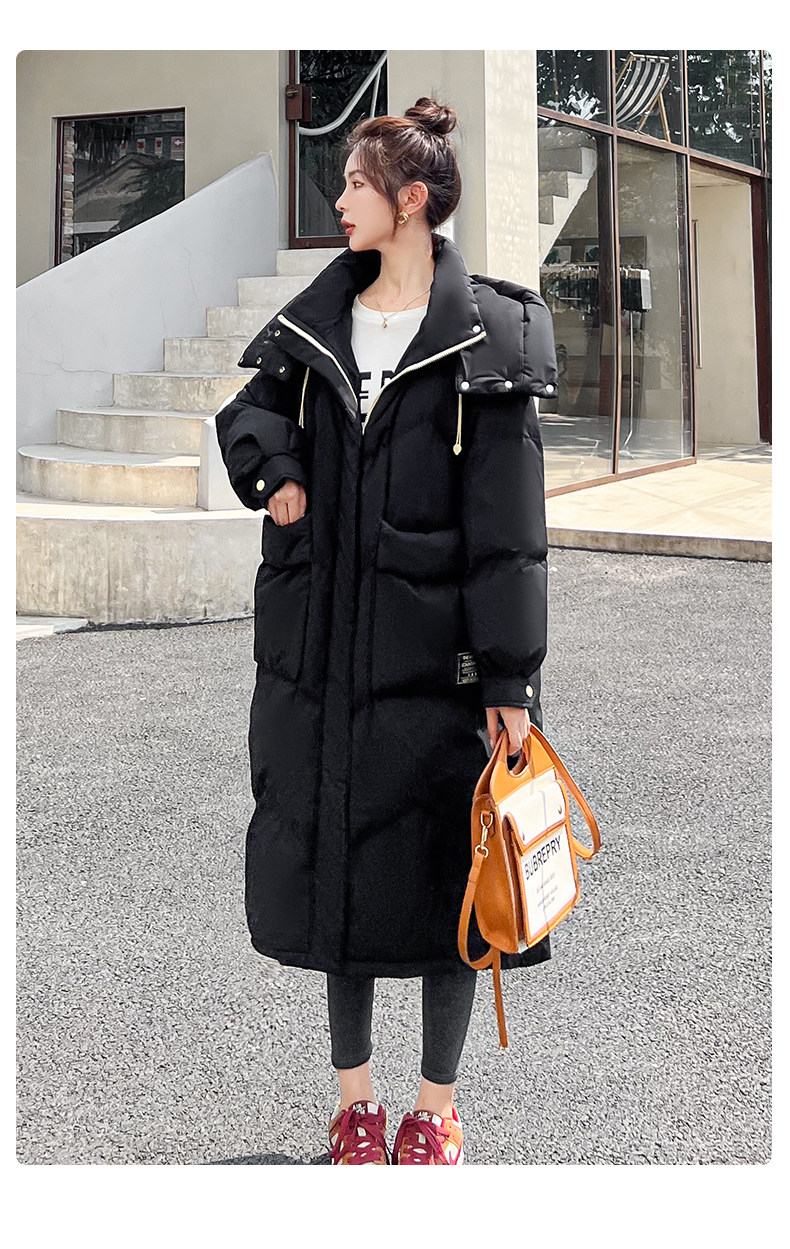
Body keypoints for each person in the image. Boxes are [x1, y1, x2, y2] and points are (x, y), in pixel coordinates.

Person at [215, 96, 557, 1165]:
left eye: (356, 183)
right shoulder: (319, 320)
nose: (339, 199)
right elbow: (247, 415)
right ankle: (355, 1106)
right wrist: (274, 470)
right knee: (339, 872)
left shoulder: (486, 335)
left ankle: (435, 1109)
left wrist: (509, 679)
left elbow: (510, 532)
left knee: (455, 883)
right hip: (323, 659)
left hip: (439, 670)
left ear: (410, 200)